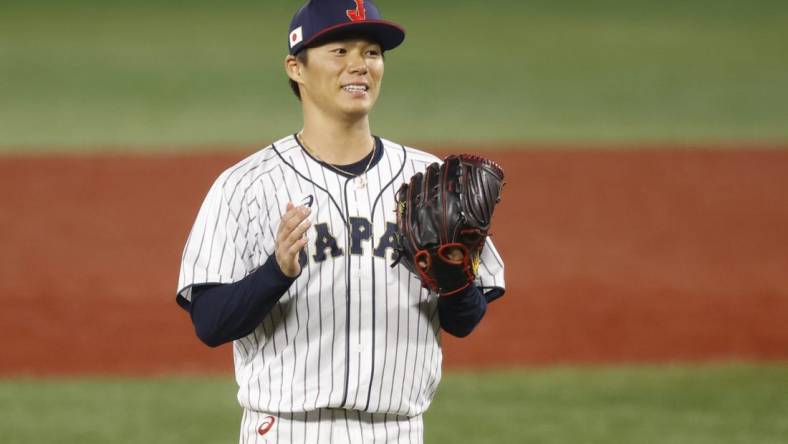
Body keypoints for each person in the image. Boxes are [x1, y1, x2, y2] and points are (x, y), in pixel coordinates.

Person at [176, 1, 505, 442]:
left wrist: (454, 278)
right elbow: (211, 324)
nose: (360, 66)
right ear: (296, 68)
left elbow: (464, 322)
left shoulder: (429, 179)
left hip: (399, 432)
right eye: (340, 51)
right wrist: (276, 273)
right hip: (286, 431)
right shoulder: (246, 186)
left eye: (371, 52)